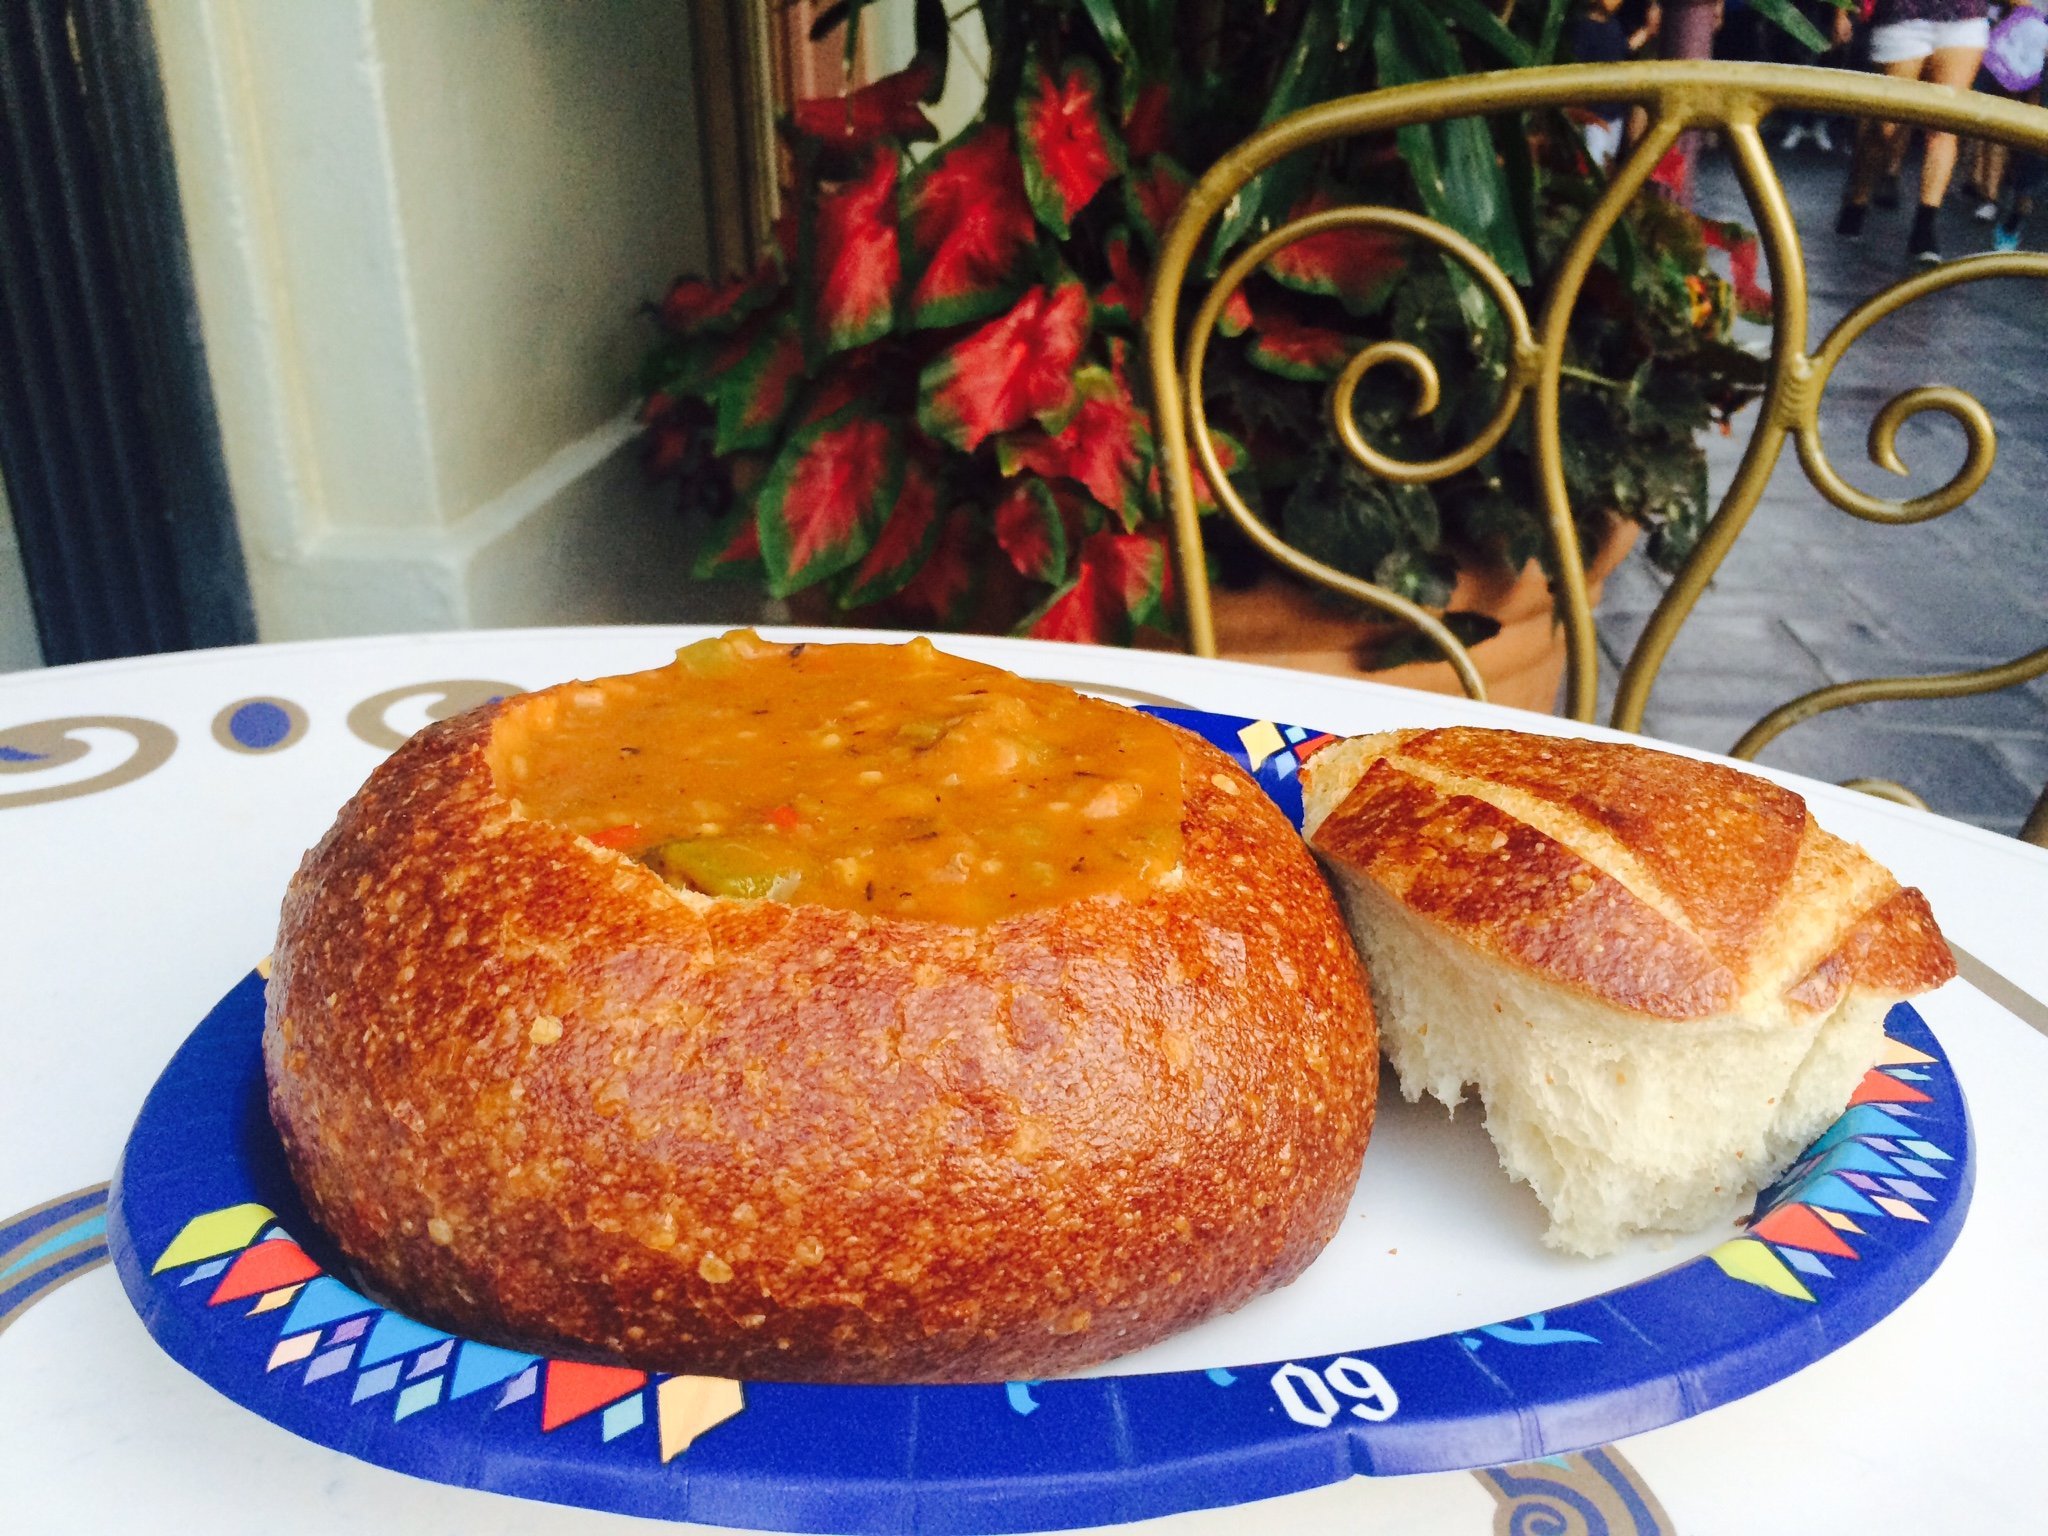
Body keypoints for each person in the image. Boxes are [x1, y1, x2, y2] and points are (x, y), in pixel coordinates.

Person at [1835, 0, 1992, 263]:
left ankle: (1925, 225)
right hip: (1903, 14)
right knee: (1885, 125)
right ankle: (1857, 197)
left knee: (1943, 125)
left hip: (1965, 15)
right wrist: (1841, 10)